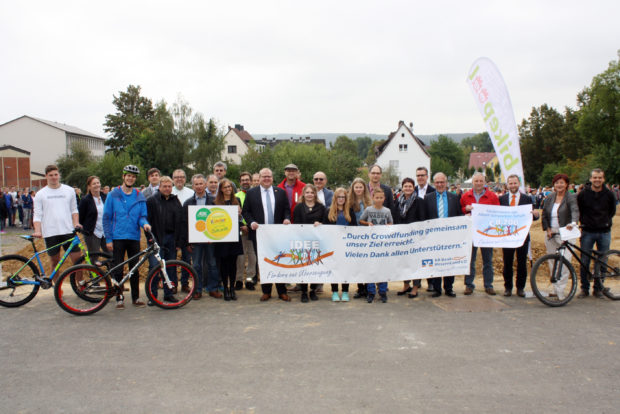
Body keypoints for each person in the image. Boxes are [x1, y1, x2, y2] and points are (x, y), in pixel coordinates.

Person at [103, 165, 152, 309]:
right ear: (123, 176)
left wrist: (145, 225)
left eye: (133, 176)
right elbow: (107, 218)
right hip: (117, 237)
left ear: (135, 179)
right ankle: (119, 298)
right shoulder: (113, 194)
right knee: (118, 268)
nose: (130, 178)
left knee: (134, 268)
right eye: (128, 175)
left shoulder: (139, 195)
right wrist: (108, 239)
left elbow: (142, 216)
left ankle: (136, 298)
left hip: (133, 237)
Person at [242, 167, 292, 302]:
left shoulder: (280, 192)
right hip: (260, 235)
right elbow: (246, 211)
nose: (266, 179)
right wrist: (251, 222)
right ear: (259, 178)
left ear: (272, 178)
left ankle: (282, 291)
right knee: (263, 262)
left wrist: (287, 218)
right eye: (264, 176)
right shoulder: (252, 193)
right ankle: (266, 291)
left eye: (269, 176)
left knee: (280, 260)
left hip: (278, 235)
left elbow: (286, 210)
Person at [32, 165, 82, 279]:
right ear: (46, 176)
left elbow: (74, 210)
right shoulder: (40, 194)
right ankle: (56, 288)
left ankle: (81, 285)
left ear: (59, 175)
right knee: (54, 263)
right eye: (51, 175)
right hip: (51, 233)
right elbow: (37, 214)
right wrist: (38, 231)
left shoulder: (69, 190)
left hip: (68, 230)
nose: (54, 177)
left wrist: (76, 223)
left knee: (78, 262)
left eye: (55, 174)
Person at [419, 172, 462, 297]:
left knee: (449, 261)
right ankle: (437, 288)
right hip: (434, 237)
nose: (440, 184)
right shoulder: (428, 198)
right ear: (434, 183)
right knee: (436, 262)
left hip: (450, 236)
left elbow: (459, 215)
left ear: (446, 183)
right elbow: (425, 217)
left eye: (442, 182)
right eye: (437, 182)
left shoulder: (454, 197)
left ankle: (449, 288)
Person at [577, 169, 616, 298]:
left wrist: (604, 221)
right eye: (595, 177)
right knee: (585, 261)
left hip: (604, 231)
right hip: (587, 231)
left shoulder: (609, 194)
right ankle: (584, 288)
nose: (597, 180)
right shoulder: (583, 194)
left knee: (602, 260)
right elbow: (580, 210)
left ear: (603, 179)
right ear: (591, 179)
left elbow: (612, 211)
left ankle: (598, 288)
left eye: (599, 178)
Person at [181, 174, 222, 300]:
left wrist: (215, 237)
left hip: (210, 240)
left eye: (201, 184)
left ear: (205, 185)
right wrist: (187, 242)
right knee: (196, 265)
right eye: (196, 184)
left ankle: (213, 288)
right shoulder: (188, 203)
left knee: (212, 264)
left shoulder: (214, 201)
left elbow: (218, 220)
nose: (199, 186)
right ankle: (197, 290)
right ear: (193, 186)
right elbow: (185, 223)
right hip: (195, 241)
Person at [460, 172, 500, 295]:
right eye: (476, 181)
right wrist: (464, 210)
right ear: (472, 182)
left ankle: (488, 285)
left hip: (486, 233)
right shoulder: (465, 196)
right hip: (471, 232)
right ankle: (469, 285)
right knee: (470, 260)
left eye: (481, 181)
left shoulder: (492, 196)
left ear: (485, 182)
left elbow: (497, 212)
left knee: (487, 260)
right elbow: (460, 211)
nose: (478, 183)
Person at [146, 176, 184, 304]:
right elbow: (147, 221)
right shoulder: (152, 200)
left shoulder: (175, 200)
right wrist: (150, 239)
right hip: (157, 238)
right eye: (165, 186)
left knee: (170, 267)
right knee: (155, 267)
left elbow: (180, 221)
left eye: (169, 186)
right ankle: (153, 296)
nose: (167, 189)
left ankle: (169, 293)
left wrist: (178, 241)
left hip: (172, 238)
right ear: (160, 187)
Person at [500, 174, 539, 297]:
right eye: (510, 183)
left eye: (515, 183)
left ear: (518, 184)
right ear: (507, 185)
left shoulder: (527, 199)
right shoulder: (502, 199)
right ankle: (508, 287)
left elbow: (532, 216)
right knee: (507, 263)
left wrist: (536, 215)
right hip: (507, 236)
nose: (512, 186)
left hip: (522, 237)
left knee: (522, 263)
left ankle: (520, 288)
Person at [541, 173, 579, 298]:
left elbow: (574, 210)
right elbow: (544, 215)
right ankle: (555, 288)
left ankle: (561, 290)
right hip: (551, 233)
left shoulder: (570, 197)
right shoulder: (550, 197)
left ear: (567, 184)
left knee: (565, 261)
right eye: (557, 183)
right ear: (554, 184)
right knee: (552, 261)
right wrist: (547, 228)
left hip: (566, 232)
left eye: (562, 182)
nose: (559, 185)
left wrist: (573, 223)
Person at [293, 184, 326, 302]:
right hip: (302, 242)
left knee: (315, 267)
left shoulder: (321, 207)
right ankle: (303, 292)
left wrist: (321, 224)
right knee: (303, 267)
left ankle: (312, 290)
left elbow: (325, 222)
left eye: (312, 192)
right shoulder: (298, 207)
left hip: (317, 243)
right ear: (303, 194)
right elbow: (295, 224)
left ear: (315, 194)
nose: (310, 195)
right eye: (307, 192)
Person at [359, 187, 393, 303]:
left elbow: (390, 222)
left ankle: (382, 291)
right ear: (373, 198)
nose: (379, 199)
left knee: (383, 267)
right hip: (370, 244)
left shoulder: (387, 211)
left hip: (383, 244)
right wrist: (367, 223)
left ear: (384, 198)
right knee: (371, 268)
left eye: (381, 198)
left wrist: (388, 226)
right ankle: (371, 292)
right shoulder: (368, 210)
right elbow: (361, 221)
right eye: (376, 197)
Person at [323, 187, 357, 301]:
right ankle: (335, 292)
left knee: (345, 269)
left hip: (346, 245)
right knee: (334, 268)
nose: (341, 199)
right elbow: (325, 227)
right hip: (333, 245)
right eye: (339, 197)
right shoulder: (328, 210)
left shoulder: (350, 210)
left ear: (346, 198)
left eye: (343, 197)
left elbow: (354, 227)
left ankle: (346, 292)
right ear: (335, 198)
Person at [214, 179, 244, 301]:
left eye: (230, 187)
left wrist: (239, 215)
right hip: (222, 238)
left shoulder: (237, 201)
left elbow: (241, 220)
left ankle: (232, 288)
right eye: (225, 187)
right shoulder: (215, 203)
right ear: (221, 189)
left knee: (233, 264)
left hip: (234, 236)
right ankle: (225, 288)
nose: (228, 189)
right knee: (224, 264)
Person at [392, 177, 422, 298]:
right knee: (403, 263)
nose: (408, 188)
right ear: (402, 188)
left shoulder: (419, 201)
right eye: (405, 186)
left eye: (410, 186)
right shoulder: (397, 201)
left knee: (414, 263)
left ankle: (415, 287)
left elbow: (422, 218)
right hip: (401, 238)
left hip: (415, 238)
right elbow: (395, 217)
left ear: (413, 187)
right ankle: (406, 285)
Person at [346, 177, 372, 299]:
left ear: (364, 188)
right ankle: (360, 287)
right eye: (356, 187)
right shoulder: (349, 202)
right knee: (357, 263)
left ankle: (367, 287)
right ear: (353, 188)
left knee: (366, 262)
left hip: (366, 235)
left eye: (360, 187)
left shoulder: (369, 201)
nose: (358, 189)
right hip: (354, 235)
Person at [171, 168, 195, 290]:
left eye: (181, 177)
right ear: (173, 179)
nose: (179, 179)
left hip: (187, 231)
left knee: (186, 259)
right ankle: (173, 284)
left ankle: (185, 283)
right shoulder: (169, 192)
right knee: (172, 259)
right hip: (173, 231)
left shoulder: (191, 192)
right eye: (176, 177)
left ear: (185, 179)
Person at [415, 166, 436, 293]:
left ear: (427, 176)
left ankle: (431, 282)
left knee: (429, 257)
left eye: (422, 175)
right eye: (418, 175)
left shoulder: (433, 190)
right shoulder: (412, 190)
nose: (420, 178)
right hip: (416, 229)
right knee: (416, 258)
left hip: (429, 229)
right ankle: (417, 282)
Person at [235, 172, 257, 291]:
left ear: (251, 181)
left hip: (252, 229)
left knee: (252, 256)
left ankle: (250, 279)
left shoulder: (256, 194)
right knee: (240, 256)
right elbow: (234, 213)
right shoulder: (235, 195)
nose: (245, 182)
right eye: (243, 180)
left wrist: (249, 225)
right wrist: (242, 225)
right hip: (241, 229)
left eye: (247, 180)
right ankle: (238, 279)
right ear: (240, 182)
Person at [78, 176, 109, 254]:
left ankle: (111, 266)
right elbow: (80, 218)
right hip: (92, 233)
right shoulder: (85, 200)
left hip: (105, 231)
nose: (96, 185)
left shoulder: (105, 197)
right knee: (94, 256)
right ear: (89, 186)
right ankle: (93, 266)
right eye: (94, 184)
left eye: (98, 183)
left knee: (111, 254)